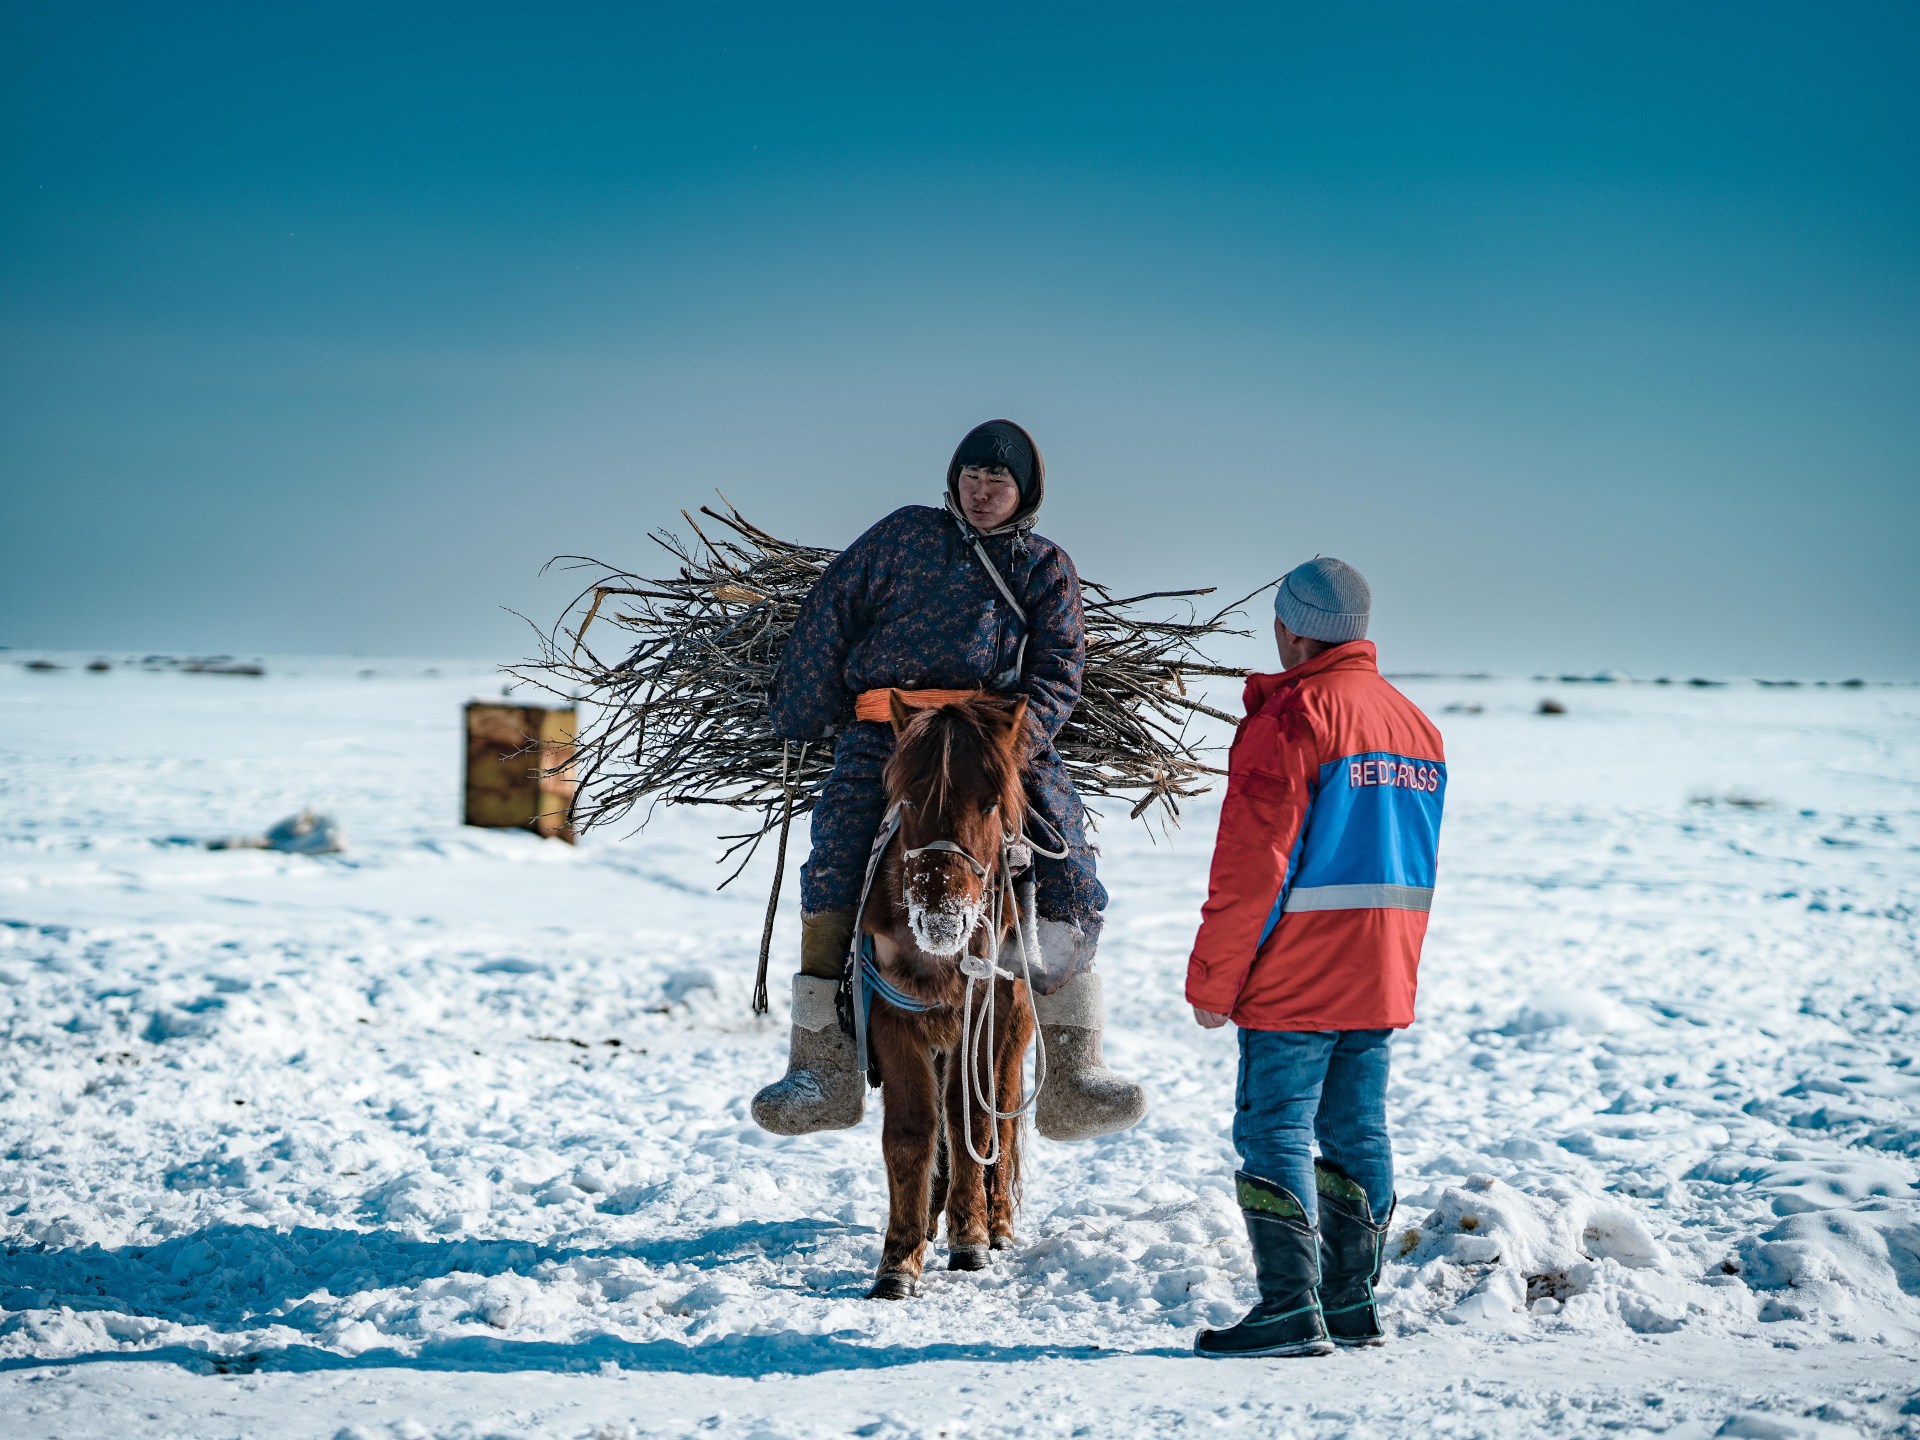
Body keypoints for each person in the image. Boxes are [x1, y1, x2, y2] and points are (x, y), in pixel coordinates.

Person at [751, 419, 1148, 1143]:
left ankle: (1073, 1069)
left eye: (998, 481)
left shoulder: (1043, 565)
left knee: (1067, 862)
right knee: (837, 852)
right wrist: (801, 708)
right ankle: (825, 1065)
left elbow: (1061, 664)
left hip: (993, 738)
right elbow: (831, 610)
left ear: (1025, 492)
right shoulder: (901, 536)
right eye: (972, 477)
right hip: (889, 730)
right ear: (953, 480)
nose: (982, 490)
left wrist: (1013, 746)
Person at [1185, 557, 1446, 1358]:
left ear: (1290, 629)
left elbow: (1252, 866)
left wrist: (1214, 980)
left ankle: (1288, 1309)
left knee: (1275, 1130)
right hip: (1382, 964)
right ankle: (1351, 1305)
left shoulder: (1296, 716)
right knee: (1357, 1129)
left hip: (1296, 968)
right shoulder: (1415, 725)